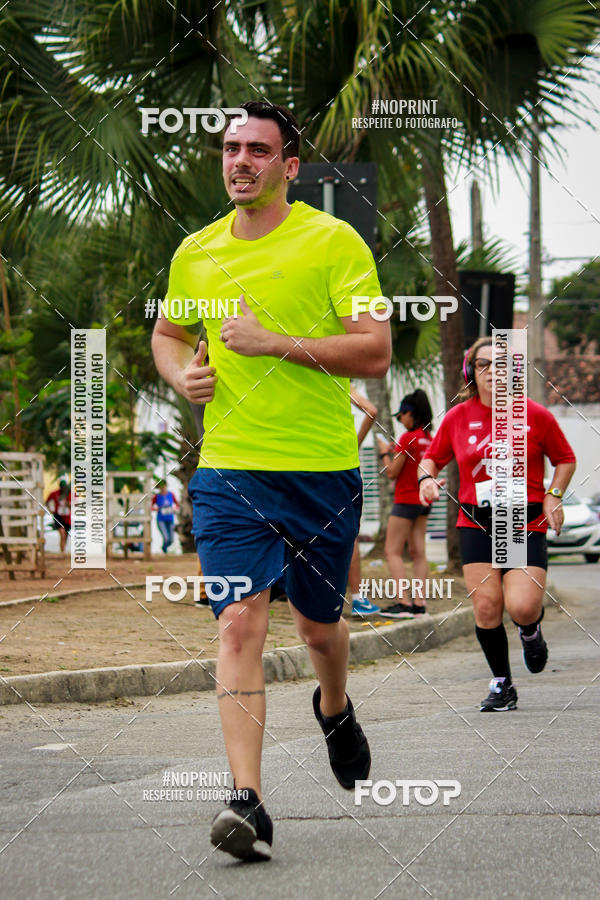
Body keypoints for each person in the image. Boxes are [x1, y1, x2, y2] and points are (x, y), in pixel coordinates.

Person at [151, 100, 391, 861]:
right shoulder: (195, 252)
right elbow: (168, 333)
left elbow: (375, 349)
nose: (240, 161)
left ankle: (335, 706)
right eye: (231, 148)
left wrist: (271, 342)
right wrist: (180, 376)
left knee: (319, 628)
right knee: (237, 623)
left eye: (258, 150)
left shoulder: (336, 241)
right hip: (229, 470)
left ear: (289, 166)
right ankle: (247, 802)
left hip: (320, 469)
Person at [418, 337, 576, 712]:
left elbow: (565, 459)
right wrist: (426, 479)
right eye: (483, 364)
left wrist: (553, 494)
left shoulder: (535, 415)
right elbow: (431, 458)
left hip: (521, 520)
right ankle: (503, 684)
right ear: (471, 372)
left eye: (500, 364)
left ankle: (530, 631)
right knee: (487, 606)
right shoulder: (457, 417)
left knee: (521, 606)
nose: (492, 371)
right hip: (476, 521)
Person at [377, 389, 433, 618]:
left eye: (401, 416)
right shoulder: (428, 438)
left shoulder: (408, 438)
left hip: (405, 499)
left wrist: (384, 454)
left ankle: (404, 603)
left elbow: (392, 472)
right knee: (418, 552)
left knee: (392, 551)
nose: (400, 421)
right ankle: (419, 604)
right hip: (423, 500)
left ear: (410, 413)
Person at [347, 385, 380, 616]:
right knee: (349, 534)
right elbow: (371, 410)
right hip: (339, 465)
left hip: (298, 465)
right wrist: (354, 446)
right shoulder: (338, 379)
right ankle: (358, 598)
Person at [151, 481, 179, 553]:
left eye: (164, 486)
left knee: (171, 540)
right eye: (161, 487)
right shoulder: (157, 496)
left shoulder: (171, 494)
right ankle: (164, 550)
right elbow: (150, 506)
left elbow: (177, 504)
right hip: (161, 520)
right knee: (166, 538)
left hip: (170, 519)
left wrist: (175, 508)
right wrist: (154, 508)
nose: (163, 488)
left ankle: (164, 548)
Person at [46, 478, 71, 553]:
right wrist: (50, 510)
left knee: (65, 536)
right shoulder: (55, 493)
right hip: (58, 516)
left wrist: (67, 504)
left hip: (67, 517)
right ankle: (62, 551)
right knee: (62, 534)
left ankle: (63, 550)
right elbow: (47, 501)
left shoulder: (69, 494)